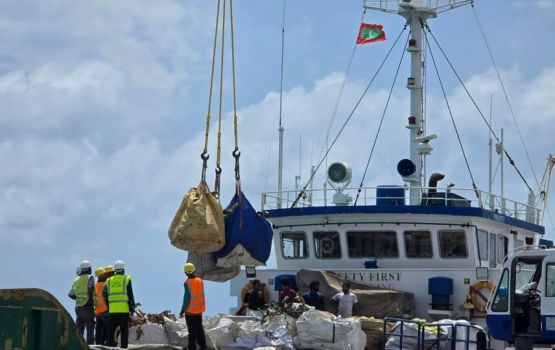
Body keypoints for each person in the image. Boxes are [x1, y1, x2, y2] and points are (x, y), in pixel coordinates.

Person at [104, 260, 135, 349]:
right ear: (123, 269)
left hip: (113, 310)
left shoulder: (109, 280)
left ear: (115, 270)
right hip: (123, 310)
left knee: (110, 331)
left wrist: (109, 308)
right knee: (124, 331)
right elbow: (130, 295)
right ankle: (123, 348)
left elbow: (105, 296)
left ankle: (109, 347)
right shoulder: (126, 279)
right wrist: (132, 309)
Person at [180, 262, 207, 350]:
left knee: (192, 331)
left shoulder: (187, 283)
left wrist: (182, 310)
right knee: (199, 329)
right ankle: (203, 346)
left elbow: (187, 298)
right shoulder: (200, 281)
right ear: (194, 270)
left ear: (185, 273)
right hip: (199, 310)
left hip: (190, 312)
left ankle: (192, 348)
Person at [68, 260, 96, 344]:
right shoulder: (90, 277)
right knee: (90, 328)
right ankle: (89, 346)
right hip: (88, 307)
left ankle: (78, 345)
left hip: (78, 308)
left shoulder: (76, 279)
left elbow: (70, 294)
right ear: (88, 269)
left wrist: (78, 299)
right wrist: (91, 300)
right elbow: (90, 287)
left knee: (79, 329)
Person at [94, 267, 108, 345]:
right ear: (102, 275)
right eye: (104, 274)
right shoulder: (105, 285)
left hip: (98, 312)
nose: (105, 276)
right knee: (108, 330)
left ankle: (98, 346)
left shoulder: (95, 286)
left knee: (98, 332)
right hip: (105, 311)